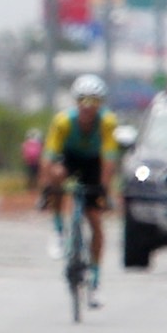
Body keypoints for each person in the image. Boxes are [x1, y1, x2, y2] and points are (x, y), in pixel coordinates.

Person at [39, 74, 119, 299]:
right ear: (76, 102)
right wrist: (47, 188)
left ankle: (95, 279)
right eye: (83, 100)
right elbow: (48, 157)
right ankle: (58, 230)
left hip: (94, 163)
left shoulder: (107, 122)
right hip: (70, 158)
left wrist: (104, 189)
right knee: (56, 176)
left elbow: (109, 158)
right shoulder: (63, 122)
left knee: (95, 221)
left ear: (100, 104)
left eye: (94, 101)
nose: (87, 106)